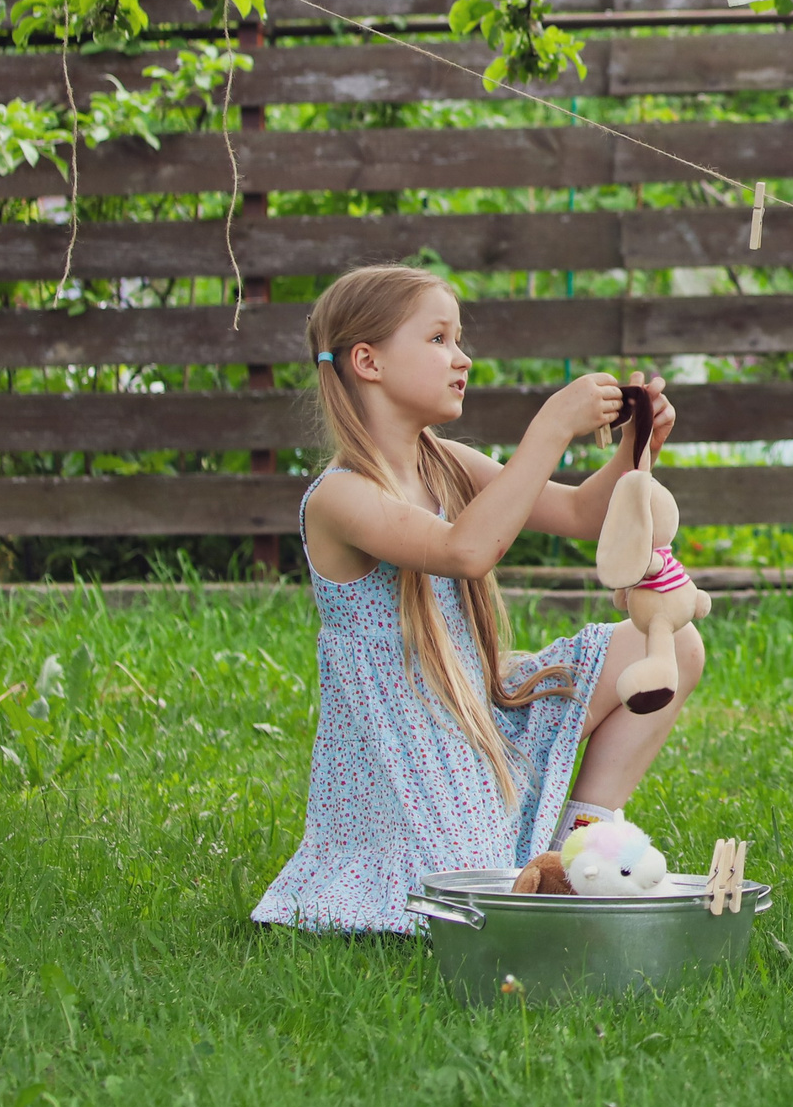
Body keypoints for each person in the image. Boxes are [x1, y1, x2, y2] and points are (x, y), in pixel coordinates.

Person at [255, 265, 706, 933]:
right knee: (464, 896)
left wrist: (636, 447)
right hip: (411, 761)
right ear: (368, 361)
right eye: (439, 338)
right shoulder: (339, 496)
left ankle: (580, 850)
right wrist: (550, 427)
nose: (462, 357)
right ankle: (533, 867)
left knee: (668, 645)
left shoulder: (446, 463)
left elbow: (581, 513)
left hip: (478, 720)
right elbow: (466, 550)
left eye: (458, 339)